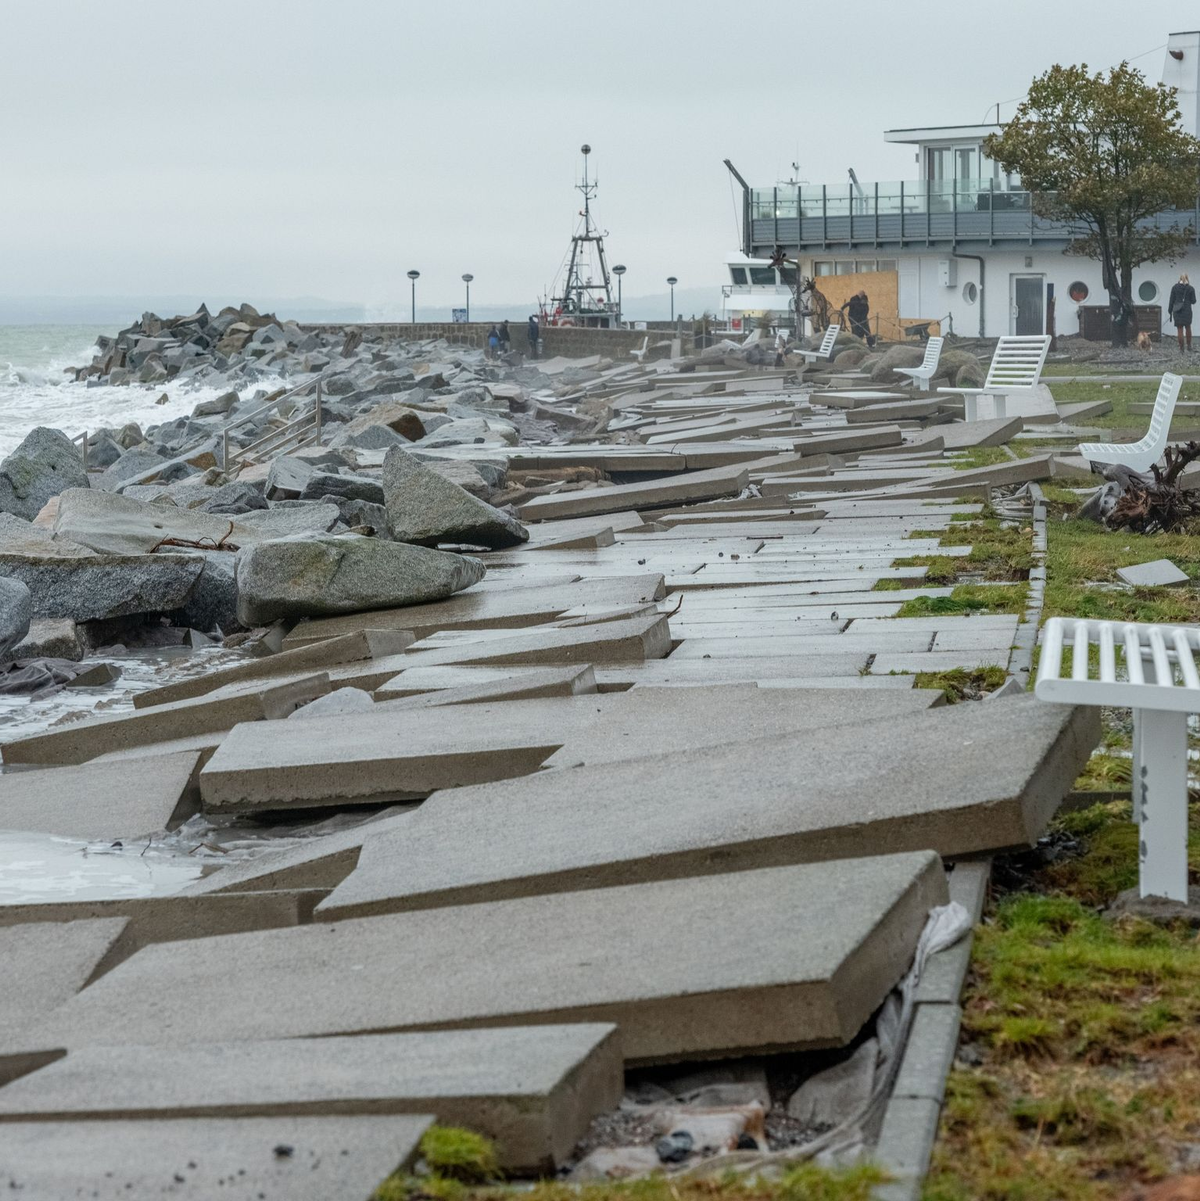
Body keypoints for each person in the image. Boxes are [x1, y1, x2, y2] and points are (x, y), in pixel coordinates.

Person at [1168, 274, 1195, 352]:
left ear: (1179, 279)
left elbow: (1171, 300)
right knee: (1188, 327)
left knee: (1179, 329)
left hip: (1177, 310)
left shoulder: (1174, 287)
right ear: (1187, 279)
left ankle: (1181, 348)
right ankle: (1189, 346)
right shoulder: (1190, 288)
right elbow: (1193, 301)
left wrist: (1170, 310)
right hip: (1187, 310)